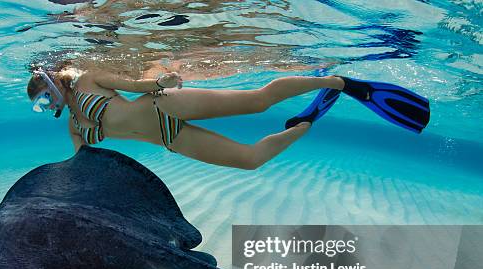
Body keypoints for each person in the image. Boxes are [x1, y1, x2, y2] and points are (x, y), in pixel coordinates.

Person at [27, 66, 429, 170]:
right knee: (250, 160)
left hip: (163, 105)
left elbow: (133, 83)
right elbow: (77, 167)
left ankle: (337, 82)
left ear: (51, 83)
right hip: (169, 138)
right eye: (42, 106)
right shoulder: (74, 126)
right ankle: (306, 122)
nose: (49, 107)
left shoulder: (89, 80)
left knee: (257, 101)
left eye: (45, 98)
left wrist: (161, 81)